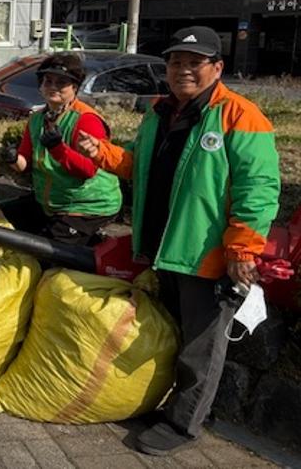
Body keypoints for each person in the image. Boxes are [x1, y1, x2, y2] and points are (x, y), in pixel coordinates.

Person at [77, 26, 280, 456]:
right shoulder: (159, 112)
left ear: (217, 68)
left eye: (194, 62)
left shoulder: (241, 116)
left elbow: (258, 189)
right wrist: (104, 154)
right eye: (175, 62)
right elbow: (142, 167)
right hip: (163, 249)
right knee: (169, 335)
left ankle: (184, 426)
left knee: (200, 350)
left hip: (205, 256)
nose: (182, 70)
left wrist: (242, 250)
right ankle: (166, 406)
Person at [0, 52, 122, 245]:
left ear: (75, 87)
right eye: (48, 81)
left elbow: (88, 170)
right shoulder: (37, 119)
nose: (53, 87)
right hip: (51, 203)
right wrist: (13, 158)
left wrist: (58, 149)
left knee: (44, 252)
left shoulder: (86, 120)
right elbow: (25, 163)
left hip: (88, 206)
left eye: (61, 82)